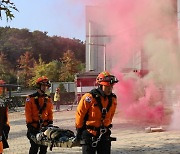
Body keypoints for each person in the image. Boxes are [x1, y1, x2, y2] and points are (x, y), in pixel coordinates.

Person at [75, 71, 118, 154]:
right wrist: (79, 130)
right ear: (100, 85)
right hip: (89, 134)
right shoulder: (89, 98)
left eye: (111, 86)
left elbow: (111, 115)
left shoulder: (112, 99)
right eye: (107, 86)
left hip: (104, 134)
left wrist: (106, 126)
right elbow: (80, 114)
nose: (110, 88)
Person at [25, 76, 53, 154]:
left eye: (46, 86)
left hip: (45, 127)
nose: (45, 88)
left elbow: (50, 112)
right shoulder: (30, 98)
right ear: (38, 86)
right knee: (34, 148)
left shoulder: (48, 99)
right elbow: (28, 113)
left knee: (44, 149)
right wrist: (30, 125)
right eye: (43, 86)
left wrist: (50, 122)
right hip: (34, 127)